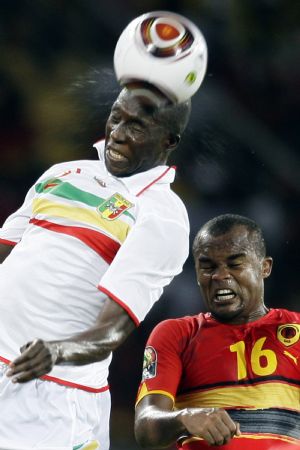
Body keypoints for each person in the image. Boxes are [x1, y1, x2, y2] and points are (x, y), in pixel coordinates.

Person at [0, 81, 192, 450]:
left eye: (136, 126)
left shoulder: (162, 217)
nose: (117, 135)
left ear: (169, 141)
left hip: (53, 401)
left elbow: (111, 332)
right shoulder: (63, 173)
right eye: (115, 118)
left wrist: (56, 351)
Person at [135, 213, 300, 449]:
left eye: (235, 264)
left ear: (264, 267)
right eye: (207, 266)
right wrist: (185, 417)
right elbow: (146, 428)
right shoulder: (176, 334)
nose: (220, 276)